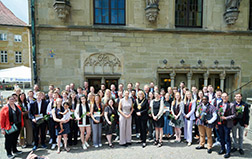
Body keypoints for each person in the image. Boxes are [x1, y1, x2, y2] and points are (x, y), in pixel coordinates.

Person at [217, 92, 236, 158]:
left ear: (228, 97)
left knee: (227, 138)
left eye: (225, 96)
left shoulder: (231, 105)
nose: (224, 98)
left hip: (227, 124)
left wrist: (226, 118)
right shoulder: (219, 104)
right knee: (221, 137)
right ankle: (223, 149)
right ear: (221, 97)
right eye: (223, 96)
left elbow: (234, 115)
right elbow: (218, 113)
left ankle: (228, 152)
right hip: (220, 124)